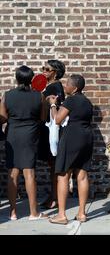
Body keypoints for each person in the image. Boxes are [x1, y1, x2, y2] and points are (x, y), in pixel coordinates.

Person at [0, 65, 48, 221]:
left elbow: (3, 118)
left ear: (17, 78)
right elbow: (42, 118)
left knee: (13, 173)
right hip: (30, 135)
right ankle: (33, 213)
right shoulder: (39, 96)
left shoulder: (7, 95)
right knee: (29, 173)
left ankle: (13, 212)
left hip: (13, 134)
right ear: (31, 79)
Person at [46, 74, 93, 224]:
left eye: (67, 84)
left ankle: (61, 215)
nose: (65, 86)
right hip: (86, 137)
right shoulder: (87, 102)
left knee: (63, 174)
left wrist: (53, 105)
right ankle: (81, 214)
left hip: (72, 137)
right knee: (82, 175)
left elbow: (58, 120)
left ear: (75, 87)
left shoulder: (71, 100)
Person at [38, 59, 66, 210]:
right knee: (52, 164)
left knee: (54, 164)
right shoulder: (53, 86)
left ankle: (55, 197)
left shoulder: (54, 87)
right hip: (49, 128)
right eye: (43, 68)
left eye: (47, 69)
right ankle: (53, 195)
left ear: (55, 73)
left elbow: (49, 107)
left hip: (51, 129)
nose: (44, 71)